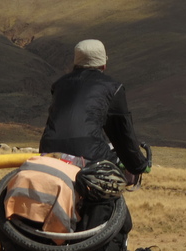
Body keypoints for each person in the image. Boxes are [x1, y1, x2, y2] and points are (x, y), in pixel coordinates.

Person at [39, 39, 149, 177]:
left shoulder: (58, 85)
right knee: (115, 173)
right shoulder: (113, 88)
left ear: (76, 62)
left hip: (48, 148)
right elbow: (122, 134)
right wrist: (139, 165)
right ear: (103, 64)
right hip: (88, 151)